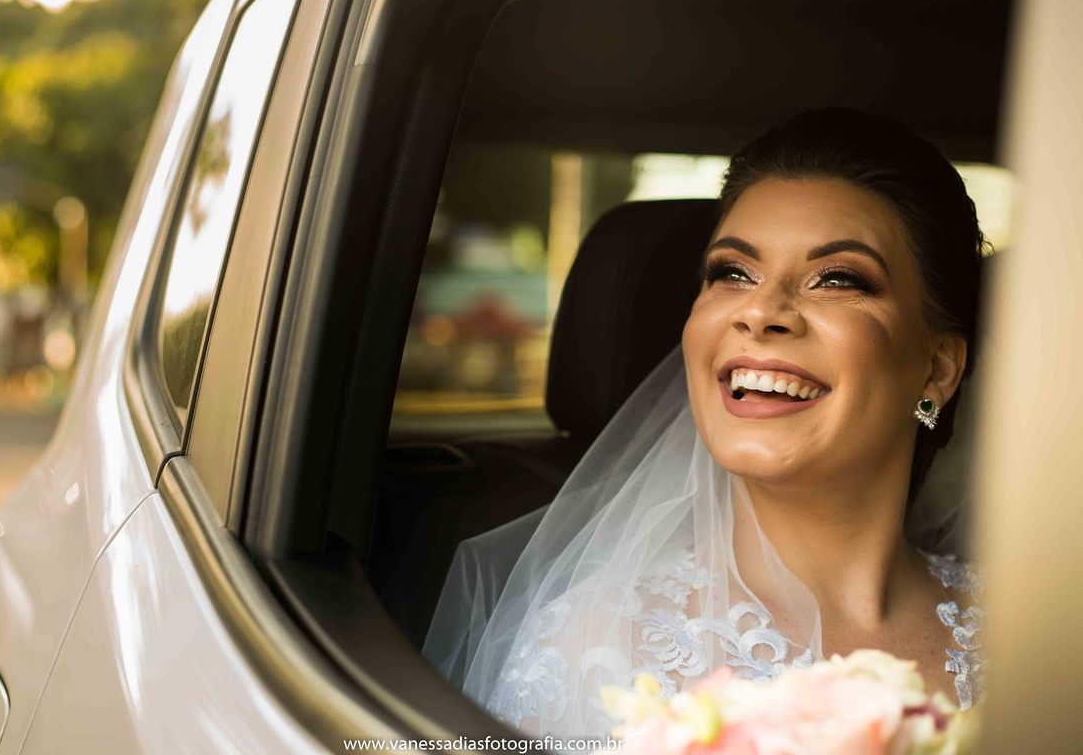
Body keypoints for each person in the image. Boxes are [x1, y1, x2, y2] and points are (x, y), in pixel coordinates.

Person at [421, 108, 991, 738]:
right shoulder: (596, 650)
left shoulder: (1033, 634)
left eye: (836, 279)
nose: (762, 311)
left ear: (937, 368)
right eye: (732, 273)